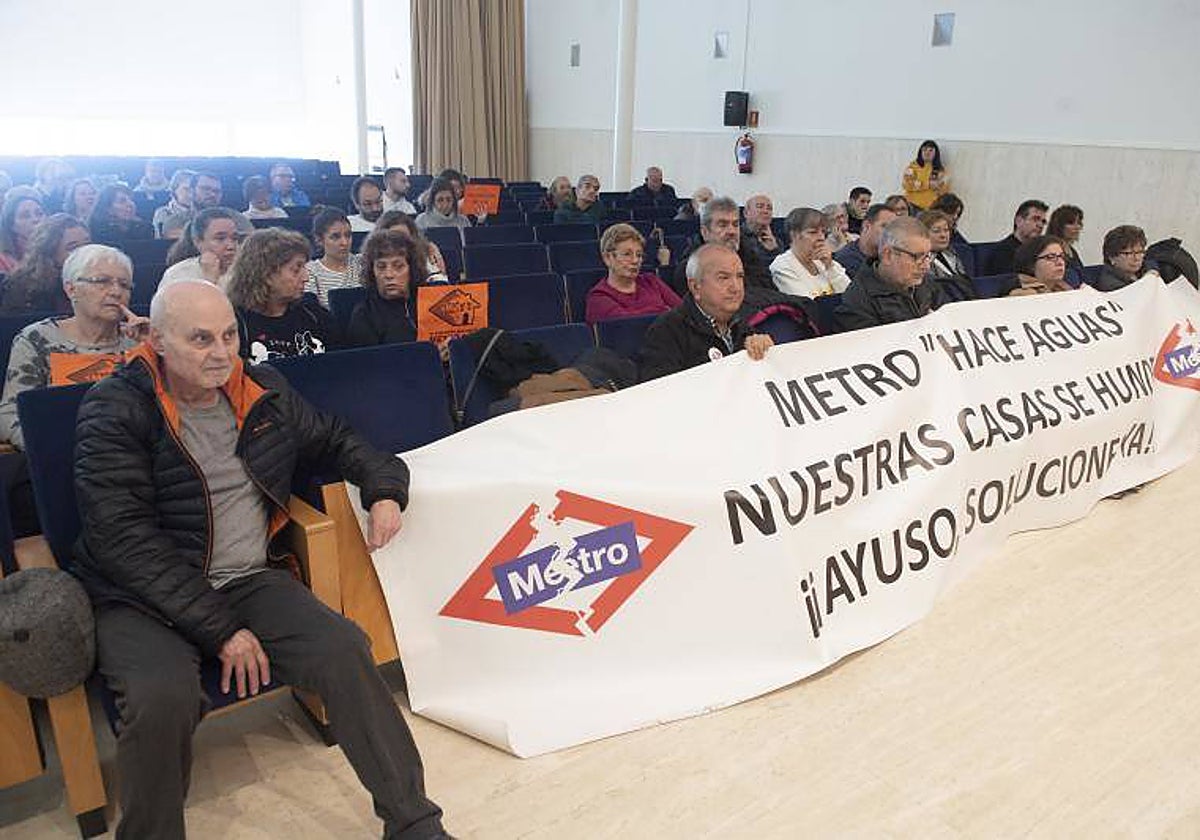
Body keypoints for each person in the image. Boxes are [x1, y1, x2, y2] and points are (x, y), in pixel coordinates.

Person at [71, 278, 448, 840]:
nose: (221, 353)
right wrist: (221, 628)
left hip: (247, 580)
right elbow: (122, 540)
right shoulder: (115, 407)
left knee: (344, 648)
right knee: (161, 697)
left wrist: (384, 488)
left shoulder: (260, 389)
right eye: (200, 339)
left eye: (229, 335)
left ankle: (414, 823)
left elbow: (338, 438)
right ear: (157, 341)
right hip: (138, 596)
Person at [0, 244, 146, 449]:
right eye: (102, 281)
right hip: (59, 455)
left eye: (124, 285)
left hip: (131, 454)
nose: (116, 292)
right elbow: (10, 413)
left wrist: (157, 347)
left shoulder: (139, 342)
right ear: (71, 289)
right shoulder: (37, 339)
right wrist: (48, 449)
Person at [639, 243, 773, 381]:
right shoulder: (666, 331)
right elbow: (659, 392)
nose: (736, 287)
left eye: (740, 276)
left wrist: (764, 352)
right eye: (723, 278)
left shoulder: (744, 327)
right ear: (696, 287)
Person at [226, 228, 340, 361]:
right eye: (296, 269)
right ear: (266, 274)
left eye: (304, 267)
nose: (306, 277)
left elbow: (342, 364)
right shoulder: (235, 324)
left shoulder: (313, 313)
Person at [835, 217, 940, 331]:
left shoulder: (926, 282)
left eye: (927, 256)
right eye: (917, 257)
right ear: (888, 255)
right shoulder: (857, 305)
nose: (926, 266)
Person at [671, 196, 774, 295]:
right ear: (705, 232)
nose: (732, 231)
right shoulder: (689, 268)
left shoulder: (749, 254)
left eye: (735, 224)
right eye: (723, 225)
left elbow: (770, 290)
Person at [585, 223, 682, 325]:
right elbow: (631, 325)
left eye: (639, 255)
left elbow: (684, 312)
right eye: (627, 254)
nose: (635, 260)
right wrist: (664, 309)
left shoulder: (651, 281)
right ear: (608, 258)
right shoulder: (598, 298)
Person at [346, 229, 427, 346]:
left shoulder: (430, 302)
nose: (389, 275)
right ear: (372, 272)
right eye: (381, 267)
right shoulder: (364, 314)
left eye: (398, 266)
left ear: (412, 269)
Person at [1, 214, 91, 313]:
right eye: (73, 248)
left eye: (87, 245)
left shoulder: (99, 280)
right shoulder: (28, 290)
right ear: (50, 252)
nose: (84, 252)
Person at [769, 207, 851, 299]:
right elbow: (808, 305)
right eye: (813, 232)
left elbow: (852, 296)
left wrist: (830, 267)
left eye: (823, 232)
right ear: (794, 235)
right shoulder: (783, 266)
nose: (821, 238)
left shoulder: (824, 261)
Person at [161, 207, 242, 288]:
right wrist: (210, 280)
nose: (231, 246)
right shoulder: (178, 275)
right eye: (220, 239)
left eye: (234, 238)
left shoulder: (246, 270)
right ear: (198, 242)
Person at [306, 207, 363, 307]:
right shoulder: (311, 270)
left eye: (348, 235)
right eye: (335, 237)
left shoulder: (363, 262)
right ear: (319, 240)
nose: (344, 243)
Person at [376, 210, 450, 282]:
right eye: (394, 237)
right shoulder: (373, 258)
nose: (400, 242)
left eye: (404, 236)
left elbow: (440, 279)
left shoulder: (425, 254)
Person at [919, 209, 975, 303]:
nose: (943, 235)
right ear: (923, 234)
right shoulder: (920, 259)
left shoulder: (951, 253)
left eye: (946, 230)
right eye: (936, 231)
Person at [983, 199, 1049, 275]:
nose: (1040, 225)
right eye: (1035, 219)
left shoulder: (1042, 251)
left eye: (1043, 222)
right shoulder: (1002, 251)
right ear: (1018, 221)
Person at [833, 203, 897, 278]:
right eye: (884, 226)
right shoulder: (846, 259)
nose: (890, 232)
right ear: (867, 226)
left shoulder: (890, 257)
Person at [1003, 235, 1075, 296]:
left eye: (1061, 256)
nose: (1060, 262)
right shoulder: (1022, 295)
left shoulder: (1063, 288)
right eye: (1051, 257)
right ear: (1031, 265)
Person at [1095, 225, 1157, 292]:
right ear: (1112, 258)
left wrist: (1152, 271)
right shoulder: (1111, 285)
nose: (1137, 258)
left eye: (1140, 252)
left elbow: (1150, 263)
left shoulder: (1143, 269)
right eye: (1129, 253)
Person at [0, 187, 47, 274]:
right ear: (11, 225)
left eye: (39, 213)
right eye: (25, 216)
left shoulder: (57, 247)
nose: (35, 219)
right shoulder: (3, 260)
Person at [88, 184, 154, 245]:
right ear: (108, 208)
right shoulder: (99, 231)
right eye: (122, 201)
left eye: (131, 200)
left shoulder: (145, 227)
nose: (130, 204)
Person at [191, 171, 255, 235]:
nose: (212, 194)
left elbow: (250, 240)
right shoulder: (182, 219)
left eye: (217, 191)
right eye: (206, 189)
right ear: (192, 190)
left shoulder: (237, 219)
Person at [902, 140, 950, 211]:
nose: (927, 153)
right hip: (913, 207)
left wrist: (939, 187)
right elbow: (907, 185)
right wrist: (927, 184)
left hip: (931, 209)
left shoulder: (940, 170)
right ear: (920, 152)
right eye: (924, 150)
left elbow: (944, 191)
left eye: (930, 150)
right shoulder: (912, 167)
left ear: (936, 153)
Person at [153, 170, 197, 239]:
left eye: (194, 190)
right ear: (174, 189)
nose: (191, 194)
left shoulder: (204, 212)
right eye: (186, 189)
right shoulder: (163, 212)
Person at [742, 194, 785, 264]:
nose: (765, 211)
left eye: (769, 208)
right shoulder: (738, 237)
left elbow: (782, 266)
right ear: (746, 213)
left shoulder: (777, 242)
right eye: (760, 207)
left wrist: (774, 249)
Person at [1047, 205, 1085, 273]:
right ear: (1059, 225)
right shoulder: (1050, 249)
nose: (1077, 227)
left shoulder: (1072, 251)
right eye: (1071, 223)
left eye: (1079, 223)